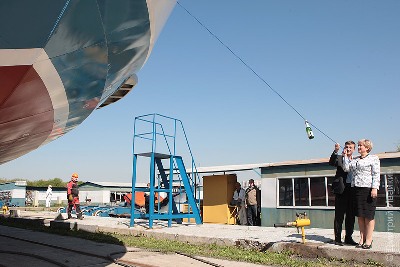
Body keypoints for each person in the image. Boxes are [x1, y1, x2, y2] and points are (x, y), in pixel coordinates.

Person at [343, 139, 380, 249]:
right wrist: (345, 156)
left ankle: (368, 240)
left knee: (368, 215)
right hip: (357, 190)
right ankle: (362, 238)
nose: (358, 147)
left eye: (360, 146)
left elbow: (376, 174)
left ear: (367, 147)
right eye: (358, 146)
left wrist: (375, 188)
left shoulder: (373, 158)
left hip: (368, 190)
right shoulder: (355, 160)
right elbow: (346, 168)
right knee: (360, 216)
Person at [329, 141, 358, 246]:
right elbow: (331, 162)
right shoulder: (340, 158)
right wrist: (336, 151)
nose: (348, 149)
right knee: (339, 215)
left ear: (354, 149)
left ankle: (348, 237)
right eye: (347, 147)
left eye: (350, 147)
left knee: (350, 216)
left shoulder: (356, 160)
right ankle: (337, 238)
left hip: (352, 190)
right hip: (341, 190)